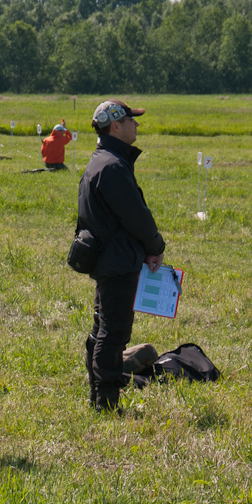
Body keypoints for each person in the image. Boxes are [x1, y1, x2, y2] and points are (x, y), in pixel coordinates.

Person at [78, 100, 166, 413]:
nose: (136, 125)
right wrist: (156, 245)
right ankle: (106, 403)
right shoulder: (113, 166)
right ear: (116, 126)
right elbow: (136, 216)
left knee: (102, 331)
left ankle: (98, 397)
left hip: (109, 260)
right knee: (113, 335)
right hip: (117, 262)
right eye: (132, 120)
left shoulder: (101, 161)